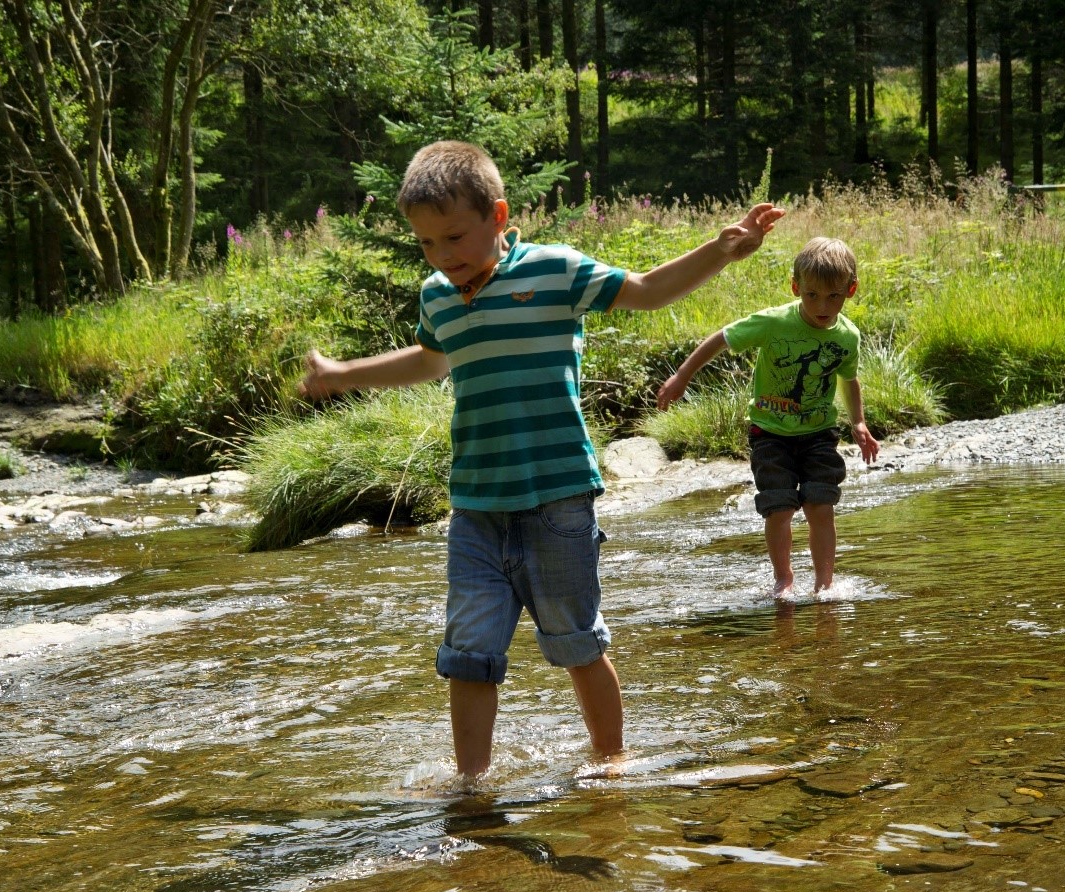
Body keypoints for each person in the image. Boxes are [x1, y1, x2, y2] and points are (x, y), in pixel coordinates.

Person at [299, 140, 785, 777]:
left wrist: (721, 249)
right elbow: (428, 360)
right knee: (468, 652)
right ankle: (472, 785)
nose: (443, 258)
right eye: (426, 245)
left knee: (578, 642)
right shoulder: (438, 298)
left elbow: (646, 290)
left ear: (498, 216)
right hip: (475, 507)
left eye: (454, 238)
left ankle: (612, 763)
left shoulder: (554, 271)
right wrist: (344, 374)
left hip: (558, 499)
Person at [656, 236, 879, 599]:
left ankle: (824, 583)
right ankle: (784, 579)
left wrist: (858, 423)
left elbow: (848, 379)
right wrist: (682, 376)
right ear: (796, 287)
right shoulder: (774, 323)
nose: (822, 306)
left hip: (819, 433)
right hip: (770, 434)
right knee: (779, 507)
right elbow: (721, 338)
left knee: (821, 504)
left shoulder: (847, 336)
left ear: (850, 290)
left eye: (833, 296)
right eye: (811, 296)